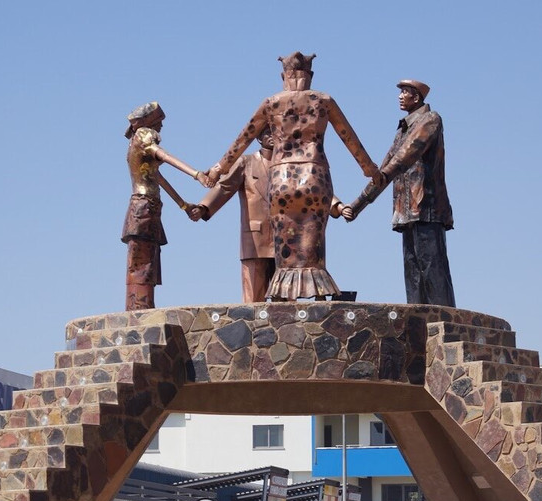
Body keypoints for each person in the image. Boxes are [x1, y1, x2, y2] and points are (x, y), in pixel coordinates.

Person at [206, 51, 379, 300]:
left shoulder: (271, 103)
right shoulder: (323, 100)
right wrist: (369, 169)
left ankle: (281, 293)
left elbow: (242, 139)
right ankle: (319, 295)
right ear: (311, 75)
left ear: (283, 76)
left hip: (281, 179)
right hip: (315, 176)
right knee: (313, 243)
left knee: (284, 245)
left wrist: (218, 169)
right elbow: (349, 137)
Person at [342, 80, 455, 307]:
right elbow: (383, 173)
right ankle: (418, 321)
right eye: (401, 92)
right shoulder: (402, 129)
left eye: (405, 92)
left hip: (427, 207)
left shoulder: (430, 120)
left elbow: (404, 157)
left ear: (418, 97)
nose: (400, 96)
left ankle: (445, 321)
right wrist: (357, 204)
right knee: (413, 272)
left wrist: (381, 176)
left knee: (433, 268)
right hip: (406, 212)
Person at [122, 101, 210, 311]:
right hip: (143, 207)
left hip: (149, 207)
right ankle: (138, 309)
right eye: (159, 122)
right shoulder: (143, 136)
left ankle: (143, 306)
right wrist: (196, 174)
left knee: (149, 261)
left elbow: (158, 177)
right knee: (142, 262)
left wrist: (183, 205)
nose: (161, 127)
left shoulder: (141, 153)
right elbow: (165, 157)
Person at [188, 127, 275, 303]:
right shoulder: (246, 162)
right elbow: (225, 186)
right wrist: (204, 207)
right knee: (253, 299)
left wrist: (337, 206)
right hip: (254, 238)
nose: (272, 136)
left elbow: (310, 189)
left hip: (285, 239)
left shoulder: (289, 164)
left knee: (286, 301)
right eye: (267, 132)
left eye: (276, 131)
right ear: (258, 137)